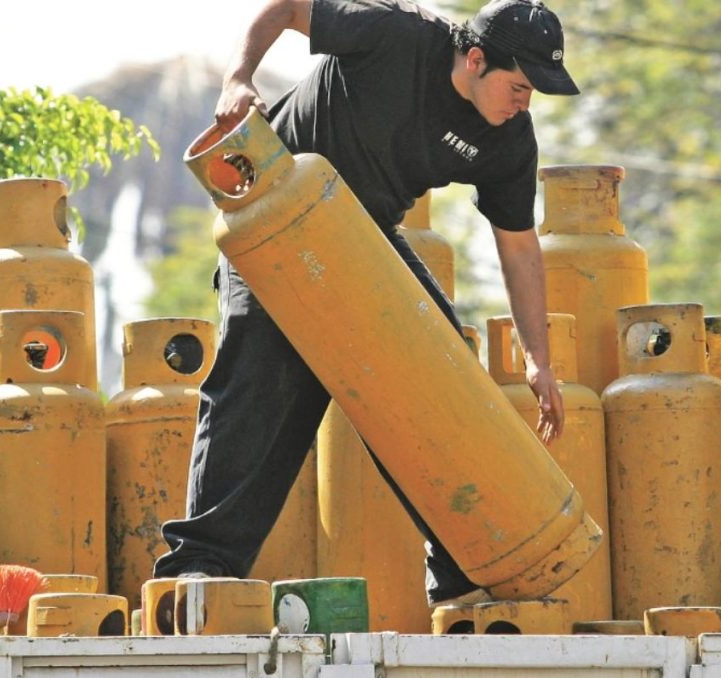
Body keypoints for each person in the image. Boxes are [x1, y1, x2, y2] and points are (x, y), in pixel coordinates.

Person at [156, 0, 578, 606]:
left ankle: (463, 574)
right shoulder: (396, 33)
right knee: (261, 385)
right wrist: (238, 78)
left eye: (534, 92)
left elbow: (518, 249)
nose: (524, 102)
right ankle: (200, 567)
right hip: (275, 216)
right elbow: (288, 8)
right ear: (476, 59)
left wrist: (539, 360)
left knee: (439, 372)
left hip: (366, 233)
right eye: (519, 85)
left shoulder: (510, 138)